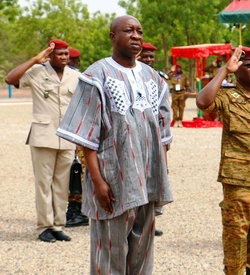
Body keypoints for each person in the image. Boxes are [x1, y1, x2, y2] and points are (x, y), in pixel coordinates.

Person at [56, 15, 173, 274]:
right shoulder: (97, 74)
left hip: (148, 179)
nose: (136, 36)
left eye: (139, 31)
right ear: (112, 36)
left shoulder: (153, 78)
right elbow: (87, 134)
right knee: (110, 252)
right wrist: (97, 181)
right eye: (128, 31)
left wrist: (161, 172)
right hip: (113, 178)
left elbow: (162, 132)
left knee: (142, 251)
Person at [196, 45, 250, 275]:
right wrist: (225, 70)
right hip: (238, 179)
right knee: (237, 234)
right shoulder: (226, 95)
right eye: (249, 65)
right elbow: (203, 102)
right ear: (237, 69)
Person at [5, 39, 81, 243]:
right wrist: (34, 60)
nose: (65, 57)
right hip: (43, 135)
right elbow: (10, 79)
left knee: (61, 184)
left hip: (66, 136)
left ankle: (58, 225)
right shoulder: (37, 72)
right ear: (50, 54)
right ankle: (44, 226)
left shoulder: (75, 76)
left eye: (67, 54)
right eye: (60, 54)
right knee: (43, 183)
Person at [137, 41, 170, 237]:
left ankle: (149, 221)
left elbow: (164, 113)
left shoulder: (158, 81)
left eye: (151, 57)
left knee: (153, 179)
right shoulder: (126, 76)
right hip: (133, 139)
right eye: (144, 57)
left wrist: (165, 144)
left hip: (155, 140)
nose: (148, 60)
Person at [63, 46, 90, 228]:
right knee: (70, 173)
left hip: (76, 134)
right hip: (65, 133)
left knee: (77, 172)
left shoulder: (79, 79)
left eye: (72, 61)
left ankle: (77, 211)